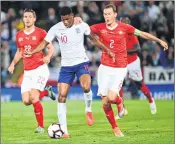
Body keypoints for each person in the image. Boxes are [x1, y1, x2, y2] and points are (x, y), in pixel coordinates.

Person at [25, 6, 115, 138]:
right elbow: (44, 42)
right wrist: (32, 52)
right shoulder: (56, 28)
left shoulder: (81, 25)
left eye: (67, 19)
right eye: (63, 19)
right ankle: (64, 131)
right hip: (66, 67)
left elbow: (93, 39)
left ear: (72, 16)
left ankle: (88, 109)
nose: (65, 22)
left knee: (86, 86)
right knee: (61, 96)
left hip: (81, 63)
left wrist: (107, 49)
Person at [89, 4, 168, 137]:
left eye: (109, 14)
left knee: (113, 97)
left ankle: (120, 102)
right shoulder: (99, 27)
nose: (107, 17)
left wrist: (159, 40)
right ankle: (115, 128)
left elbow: (142, 34)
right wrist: (78, 22)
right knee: (105, 102)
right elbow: (85, 30)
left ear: (115, 14)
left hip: (120, 68)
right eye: (105, 14)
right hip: (104, 68)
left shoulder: (125, 28)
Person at [8, 9, 56, 134]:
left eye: (30, 16)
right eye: (25, 16)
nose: (27, 19)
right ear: (23, 19)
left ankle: (40, 126)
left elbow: (51, 47)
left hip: (40, 68)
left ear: (34, 19)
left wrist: (48, 56)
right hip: (28, 71)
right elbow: (20, 52)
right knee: (26, 101)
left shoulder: (41, 33)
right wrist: (13, 64)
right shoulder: (19, 35)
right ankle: (46, 92)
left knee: (34, 97)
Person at [115, 15, 158, 120]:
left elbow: (137, 49)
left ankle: (150, 99)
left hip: (133, 62)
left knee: (139, 84)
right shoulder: (117, 32)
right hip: (121, 63)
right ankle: (122, 109)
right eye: (123, 22)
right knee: (117, 86)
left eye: (127, 22)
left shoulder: (132, 33)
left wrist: (124, 50)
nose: (125, 23)